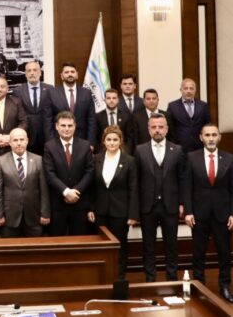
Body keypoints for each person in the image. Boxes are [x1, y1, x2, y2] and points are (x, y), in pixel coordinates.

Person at [184, 124, 233, 303]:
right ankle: (199, 286)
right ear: (201, 137)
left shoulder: (230, 158)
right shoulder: (191, 157)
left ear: (219, 137)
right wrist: (188, 212)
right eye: (207, 135)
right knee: (198, 252)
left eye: (214, 135)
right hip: (199, 214)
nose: (210, 138)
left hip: (223, 214)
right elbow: (187, 187)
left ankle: (225, 286)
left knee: (224, 252)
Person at [135, 113, 185, 282]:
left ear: (167, 129)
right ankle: (150, 279)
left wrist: (182, 203)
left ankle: (172, 278)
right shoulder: (140, 150)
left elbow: (182, 179)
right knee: (148, 245)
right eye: (154, 127)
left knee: (171, 245)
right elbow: (136, 181)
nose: (157, 130)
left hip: (170, 205)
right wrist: (135, 208)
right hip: (147, 206)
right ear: (148, 129)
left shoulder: (177, 150)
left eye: (161, 127)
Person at [87, 125, 138, 278]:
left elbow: (134, 189)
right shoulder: (96, 159)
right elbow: (91, 187)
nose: (112, 143)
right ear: (103, 141)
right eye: (108, 139)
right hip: (100, 211)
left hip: (120, 212)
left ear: (120, 141)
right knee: (101, 246)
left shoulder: (129, 161)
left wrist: (133, 214)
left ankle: (119, 279)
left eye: (115, 139)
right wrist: (90, 208)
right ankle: (102, 279)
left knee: (120, 246)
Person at [0, 127, 50, 237]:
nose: (19, 143)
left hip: (34, 216)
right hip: (9, 218)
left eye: (22, 140)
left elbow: (44, 189)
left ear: (27, 141)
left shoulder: (38, 160)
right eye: (15, 140)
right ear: (10, 142)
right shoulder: (0, 161)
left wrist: (45, 213)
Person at [44, 110, 95, 236]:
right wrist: (66, 192)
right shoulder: (49, 147)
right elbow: (49, 174)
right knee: (57, 242)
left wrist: (76, 191)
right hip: (58, 204)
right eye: (63, 125)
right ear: (57, 126)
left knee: (79, 242)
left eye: (70, 125)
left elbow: (90, 172)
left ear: (75, 126)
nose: (66, 129)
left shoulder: (85, 145)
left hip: (80, 203)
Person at [46, 62, 97, 143]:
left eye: (72, 72)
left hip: (82, 140)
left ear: (77, 74)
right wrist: (51, 142)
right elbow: (47, 120)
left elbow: (91, 119)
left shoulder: (86, 93)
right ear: (62, 76)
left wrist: (91, 142)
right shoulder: (52, 93)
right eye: (66, 72)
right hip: (58, 140)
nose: (70, 74)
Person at [11, 60, 53, 156]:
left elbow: (53, 113)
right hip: (26, 134)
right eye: (29, 71)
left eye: (35, 70)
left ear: (40, 73)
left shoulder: (50, 89)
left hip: (46, 135)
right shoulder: (18, 91)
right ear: (25, 74)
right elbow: (16, 115)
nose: (32, 73)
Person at [165, 78, 211, 154]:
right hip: (179, 148)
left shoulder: (203, 106)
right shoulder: (172, 106)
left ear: (195, 90)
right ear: (181, 90)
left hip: (199, 146)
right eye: (186, 88)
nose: (188, 91)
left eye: (191, 88)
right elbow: (169, 128)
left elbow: (208, 126)